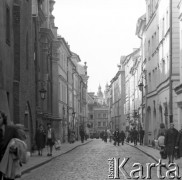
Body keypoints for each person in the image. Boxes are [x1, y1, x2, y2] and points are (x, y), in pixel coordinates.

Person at [0, 111, 27, 180]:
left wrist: (15, 149)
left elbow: (20, 143)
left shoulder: (11, 129)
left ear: (3, 118)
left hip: (9, 162)